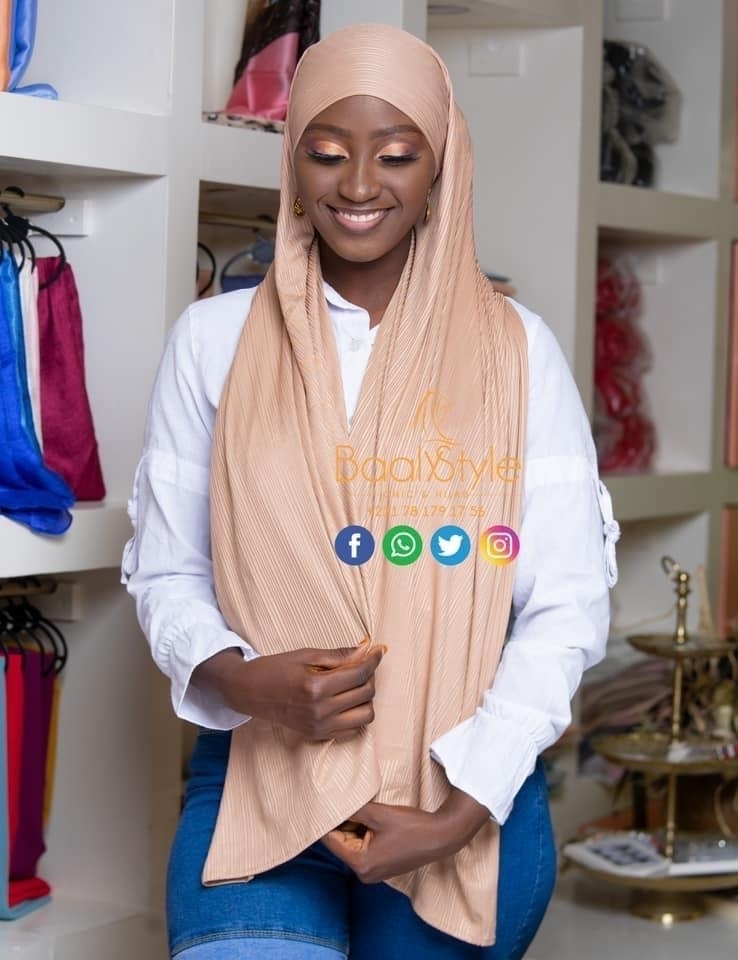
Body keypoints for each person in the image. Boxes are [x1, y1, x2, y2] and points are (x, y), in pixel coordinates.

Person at [122, 21, 619, 960]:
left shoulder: (519, 353)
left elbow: (566, 603)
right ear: (292, 161)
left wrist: (459, 812)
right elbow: (167, 569)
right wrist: (241, 679)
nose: (357, 186)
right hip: (263, 779)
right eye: (326, 153)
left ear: (442, 167)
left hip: (460, 786)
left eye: (395, 155)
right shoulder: (213, 340)